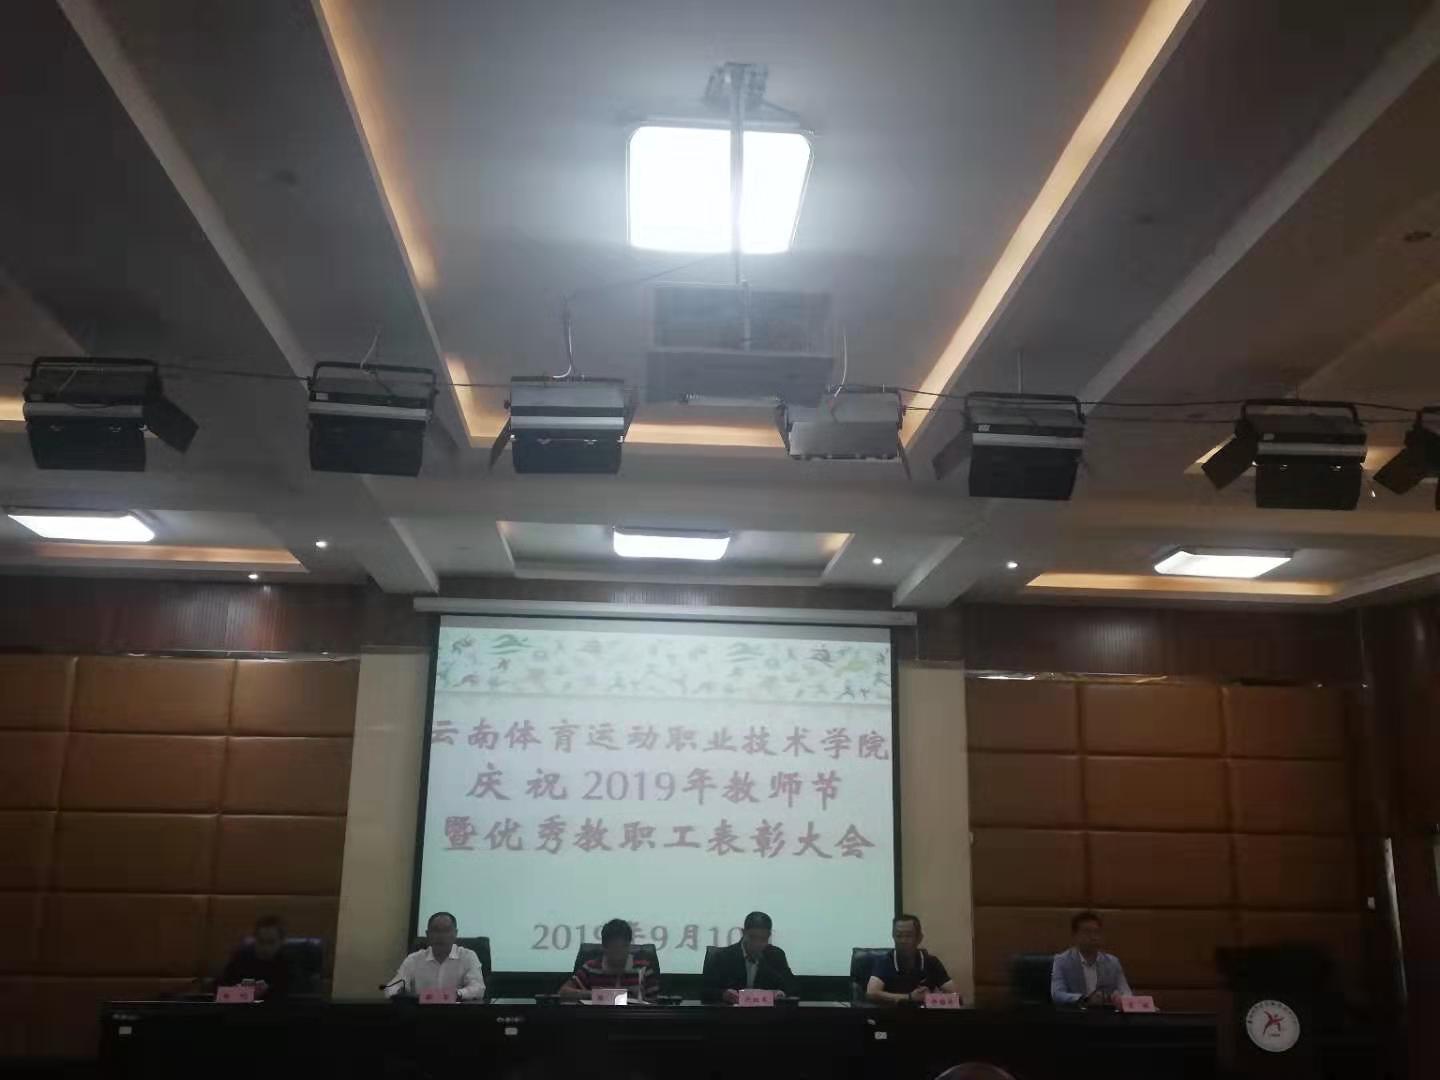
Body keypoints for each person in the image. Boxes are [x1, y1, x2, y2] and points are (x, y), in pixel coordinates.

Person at [701, 911, 799, 1003]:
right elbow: (705, 991)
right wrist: (723, 994)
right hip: (731, 1012)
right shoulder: (723, 957)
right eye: (752, 937)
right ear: (743, 932)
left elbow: (792, 987)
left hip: (766, 1013)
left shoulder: (776, 955)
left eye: (763, 939)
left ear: (769, 936)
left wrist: (781, 993)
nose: (757, 943)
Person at [386, 911, 486, 1001]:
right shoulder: (414, 959)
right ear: (427, 934)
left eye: (446, 930)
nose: (441, 936)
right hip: (422, 1012)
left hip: (456, 1012)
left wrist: (456, 994)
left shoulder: (468, 956)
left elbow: (478, 988)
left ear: (455, 934)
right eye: (436, 930)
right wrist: (399, 992)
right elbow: (391, 988)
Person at [866, 913, 960, 1004]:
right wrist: (909, 997)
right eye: (898, 935)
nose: (903, 941)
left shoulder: (931, 962)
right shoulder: (885, 961)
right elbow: (871, 993)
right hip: (894, 1013)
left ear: (919, 938)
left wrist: (930, 998)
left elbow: (956, 996)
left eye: (908, 936)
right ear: (893, 936)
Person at [559, 918, 660, 1002]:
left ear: (629, 946)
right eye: (615, 948)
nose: (620, 953)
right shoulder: (591, 968)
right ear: (604, 947)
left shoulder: (644, 969)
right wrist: (598, 995)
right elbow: (563, 992)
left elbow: (655, 1004)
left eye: (624, 947)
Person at [1050, 911, 1131, 1006]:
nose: (1093, 937)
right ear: (1075, 935)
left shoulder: (1112, 962)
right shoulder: (1062, 961)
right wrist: (1086, 999)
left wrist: (1120, 998)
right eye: (1087, 932)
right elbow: (1057, 994)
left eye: (1096, 932)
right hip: (1076, 1012)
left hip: (1105, 1012)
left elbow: (1126, 992)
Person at [219, 914, 301, 1000]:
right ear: (255, 939)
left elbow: (294, 996)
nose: (265, 948)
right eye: (261, 941)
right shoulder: (241, 959)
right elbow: (221, 994)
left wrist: (258, 993)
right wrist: (248, 994)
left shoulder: (289, 963)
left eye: (271, 942)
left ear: (281, 941)